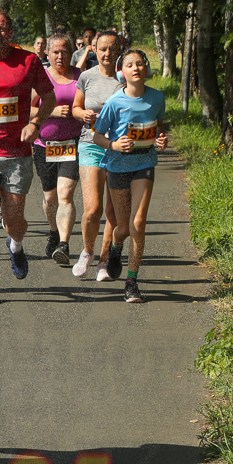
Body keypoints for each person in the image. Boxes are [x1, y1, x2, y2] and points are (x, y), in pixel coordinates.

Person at [0, 11, 55, 304]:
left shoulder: (27, 62)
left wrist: (35, 123)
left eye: (3, 28)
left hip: (17, 152)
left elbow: (49, 96)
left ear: (11, 32)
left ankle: (15, 246)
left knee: (15, 219)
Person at [92, 48, 168, 302]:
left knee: (138, 223)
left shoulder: (157, 98)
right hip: (117, 166)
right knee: (122, 227)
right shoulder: (115, 102)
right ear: (121, 72)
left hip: (144, 164)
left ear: (146, 69)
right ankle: (114, 250)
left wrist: (160, 139)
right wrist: (113, 145)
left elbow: (158, 126)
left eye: (140, 64)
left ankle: (132, 282)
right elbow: (97, 135)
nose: (135, 68)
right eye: (129, 65)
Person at [71, 30, 122, 280]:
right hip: (90, 143)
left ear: (119, 50)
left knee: (112, 212)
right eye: (103, 49)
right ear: (95, 50)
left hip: (117, 149)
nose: (107, 53)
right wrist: (83, 115)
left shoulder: (125, 80)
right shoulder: (86, 77)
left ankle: (104, 261)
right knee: (92, 209)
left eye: (112, 48)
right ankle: (87, 252)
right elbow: (75, 108)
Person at [32, 34, 82, 265]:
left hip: (72, 143)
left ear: (71, 53)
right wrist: (50, 112)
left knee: (65, 194)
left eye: (64, 51)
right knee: (50, 198)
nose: (60, 56)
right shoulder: (40, 78)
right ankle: (53, 231)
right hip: (45, 146)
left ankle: (63, 243)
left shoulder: (80, 78)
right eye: (55, 52)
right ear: (48, 54)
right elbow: (26, 111)